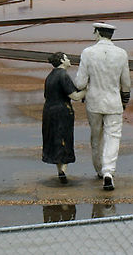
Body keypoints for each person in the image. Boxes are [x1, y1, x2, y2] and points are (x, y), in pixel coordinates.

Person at [73, 22, 131, 191]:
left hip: (94, 101)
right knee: (113, 136)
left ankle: (99, 169)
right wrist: (125, 100)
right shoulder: (121, 54)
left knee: (96, 136)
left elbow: (80, 82)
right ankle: (108, 172)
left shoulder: (88, 53)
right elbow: (126, 83)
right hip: (114, 102)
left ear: (97, 33)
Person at [42, 52, 85, 185]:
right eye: (66, 58)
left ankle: (60, 169)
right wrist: (88, 89)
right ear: (62, 60)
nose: (69, 60)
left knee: (54, 139)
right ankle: (64, 170)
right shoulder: (63, 75)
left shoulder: (50, 76)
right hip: (62, 111)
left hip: (49, 111)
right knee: (65, 139)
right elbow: (75, 96)